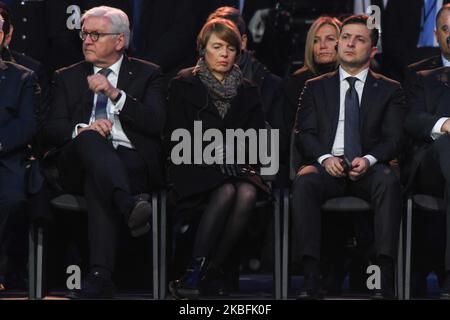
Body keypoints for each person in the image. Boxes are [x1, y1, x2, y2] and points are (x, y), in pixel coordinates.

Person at [44, 6, 165, 299]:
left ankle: (100, 276)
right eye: (84, 33)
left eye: (95, 34)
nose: (86, 40)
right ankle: (127, 205)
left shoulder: (149, 74)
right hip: (75, 161)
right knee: (90, 141)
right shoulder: (66, 77)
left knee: (100, 180)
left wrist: (115, 94)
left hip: (127, 161)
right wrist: (82, 129)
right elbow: (51, 128)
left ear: (120, 41)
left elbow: (156, 123)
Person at [291, 15, 406, 299]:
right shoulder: (315, 86)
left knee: (388, 181)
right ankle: (310, 278)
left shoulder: (390, 89)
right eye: (345, 37)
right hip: (328, 165)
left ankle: (384, 277)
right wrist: (324, 158)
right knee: (305, 182)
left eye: (359, 39)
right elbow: (304, 133)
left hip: (369, 167)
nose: (350, 43)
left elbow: (395, 139)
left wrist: (368, 159)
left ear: (372, 50)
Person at [165, 18, 270, 300]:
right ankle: (196, 270)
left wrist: (234, 154)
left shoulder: (248, 89)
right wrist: (212, 153)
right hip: (192, 165)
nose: (224, 54)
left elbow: (258, 139)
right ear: (203, 50)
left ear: (239, 52)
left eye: (231, 48)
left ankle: (208, 270)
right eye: (217, 47)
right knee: (225, 191)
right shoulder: (183, 83)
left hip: (235, 166)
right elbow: (176, 136)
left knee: (247, 192)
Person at [0, 14, 40, 292]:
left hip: (6, 156)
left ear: (4, 36)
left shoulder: (22, 77)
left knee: (12, 200)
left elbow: (27, 125)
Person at [404, 65, 450, 300]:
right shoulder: (426, 80)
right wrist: (444, 124)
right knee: (448, 144)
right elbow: (411, 120)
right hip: (432, 168)